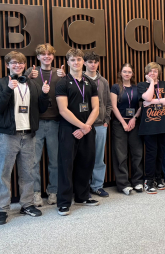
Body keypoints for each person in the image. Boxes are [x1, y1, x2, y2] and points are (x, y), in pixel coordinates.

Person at [0, 51, 50, 224]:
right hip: (9, 136)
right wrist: (9, 90)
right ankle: (3, 209)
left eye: (21, 63)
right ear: (7, 65)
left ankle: (26, 204)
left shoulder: (32, 84)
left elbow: (42, 108)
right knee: (4, 173)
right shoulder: (0, 84)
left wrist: (45, 94)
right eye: (14, 63)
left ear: (24, 66)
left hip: (29, 135)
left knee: (28, 172)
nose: (17, 66)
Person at [56, 48, 100, 216]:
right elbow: (63, 110)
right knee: (66, 166)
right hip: (69, 129)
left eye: (79, 60)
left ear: (83, 62)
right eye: (73, 60)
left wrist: (86, 127)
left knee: (86, 162)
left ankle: (82, 196)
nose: (76, 63)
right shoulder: (62, 82)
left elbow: (96, 108)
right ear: (68, 63)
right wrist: (81, 126)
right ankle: (64, 202)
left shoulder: (90, 82)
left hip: (87, 129)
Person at [24, 43, 65, 207]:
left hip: (55, 121)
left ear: (53, 56)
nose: (46, 57)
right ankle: (35, 193)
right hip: (37, 122)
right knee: (34, 161)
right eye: (43, 54)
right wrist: (28, 78)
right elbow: (21, 91)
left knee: (54, 160)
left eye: (49, 54)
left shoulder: (60, 73)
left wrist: (65, 76)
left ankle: (53, 191)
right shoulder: (31, 72)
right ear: (38, 57)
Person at [137, 62, 165, 193]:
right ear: (147, 73)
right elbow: (145, 96)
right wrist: (151, 83)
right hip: (149, 126)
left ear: (159, 72)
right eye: (151, 71)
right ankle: (149, 180)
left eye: (155, 71)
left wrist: (152, 102)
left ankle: (158, 178)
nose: (153, 73)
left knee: (161, 153)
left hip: (163, 124)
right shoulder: (142, 85)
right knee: (151, 153)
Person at [110, 63, 144, 195]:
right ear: (120, 73)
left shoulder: (137, 88)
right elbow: (113, 106)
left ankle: (137, 181)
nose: (127, 74)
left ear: (132, 74)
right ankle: (123, 184)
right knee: (121, 154)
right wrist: (123, 123)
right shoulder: (115, 87)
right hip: (119, 124)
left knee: (137, 153)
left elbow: (141, 106)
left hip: (134, 122)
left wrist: (134, 118)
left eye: (129, 72)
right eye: (124, 71)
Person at [84, 52, 112, 197]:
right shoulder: (80, 79)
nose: (92, 64)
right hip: (84, 125)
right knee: (84, 157)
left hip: (101, 125)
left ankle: (97, 185)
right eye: (89, 62)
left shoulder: (104, 81)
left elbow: (108, 103)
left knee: (99, 157)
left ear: (98, 63)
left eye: (95, 62)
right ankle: (84, 187)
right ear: (84, 63)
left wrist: (106, 121)